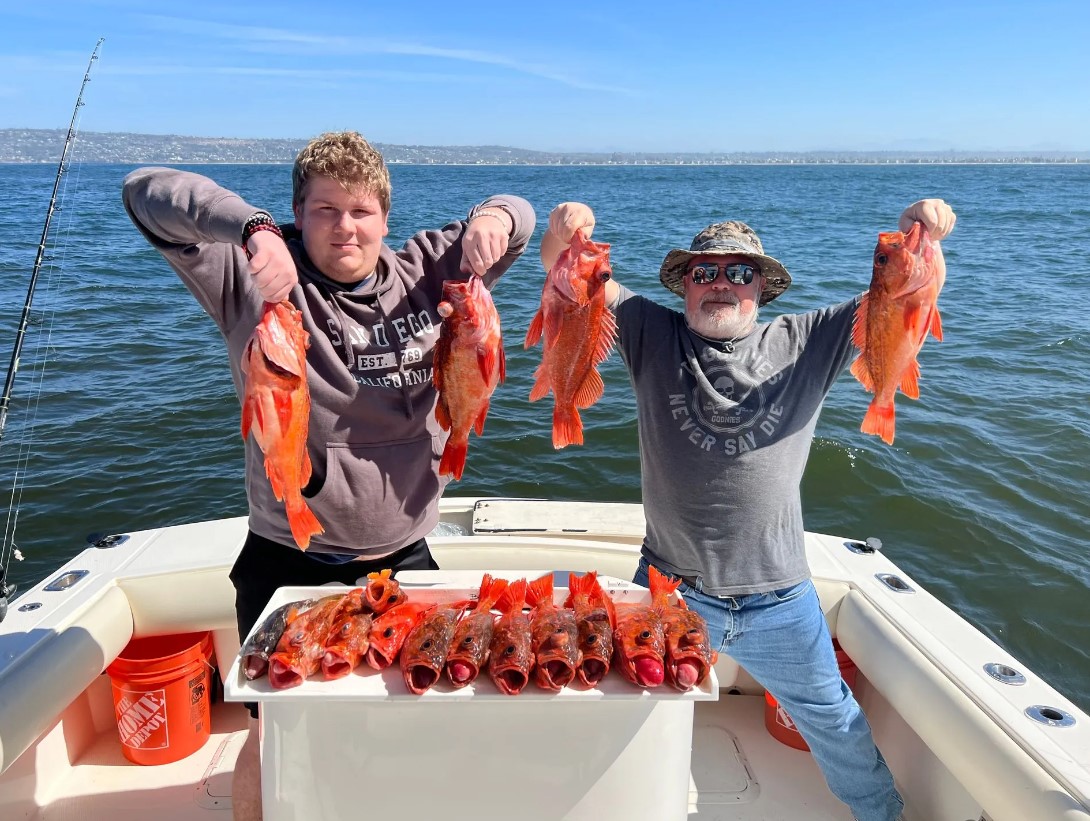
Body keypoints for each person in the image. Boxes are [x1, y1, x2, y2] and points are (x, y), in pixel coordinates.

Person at [122, 131, 535, 821]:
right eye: (324, 210)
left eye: (362, 210)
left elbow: (517, 216)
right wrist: (253, 231)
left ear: (384, 218)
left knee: (409, 725)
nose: (346, 226)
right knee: (276, 734)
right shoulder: (250, 280)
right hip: (289, 558)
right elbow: (143, 191)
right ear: (297, 213)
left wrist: (495, 219)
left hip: (406, 559)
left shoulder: (432, 272)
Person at [540, 198, 956, 821]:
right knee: (614, 705)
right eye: (705, 273)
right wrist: (560, 230)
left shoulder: (809, 339)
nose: (721, 284)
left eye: (739, 272)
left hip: (781, 597)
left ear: (762, 285)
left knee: (834, 719)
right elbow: (566, 275)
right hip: (667, 587)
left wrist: (927, 227)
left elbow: (898, 299)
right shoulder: (650, 332)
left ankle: (885, 816)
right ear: (683, 287)